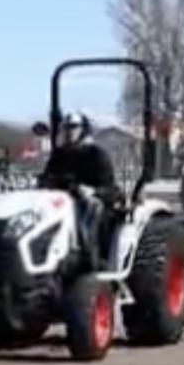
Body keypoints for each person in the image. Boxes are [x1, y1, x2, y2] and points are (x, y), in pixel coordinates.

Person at [39, 112, 121, 270]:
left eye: (74, 127)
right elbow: (47, 178)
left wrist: (92, 192)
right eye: (66, 127)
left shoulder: (96, 155)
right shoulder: (59, 155)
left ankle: (89, 256)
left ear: (83, 129)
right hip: (61, 201)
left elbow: (110, 188)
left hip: (89, 201)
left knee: (90, 208)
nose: (69, 131)